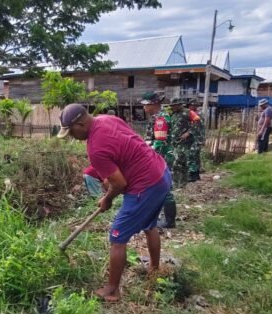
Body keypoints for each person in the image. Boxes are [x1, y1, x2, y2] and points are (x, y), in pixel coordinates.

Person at [57, 103, 171, 302]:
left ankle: (112, 289)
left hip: (145, 185)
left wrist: (107, 198)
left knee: (117, 236)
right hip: (161, 173)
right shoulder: (105, 119)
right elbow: (124, 148)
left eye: (72, 132)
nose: (72, 137)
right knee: (150, 225)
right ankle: (154, 270)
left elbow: (119, 183)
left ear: (81, 124)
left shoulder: (96, 147)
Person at [142, 92, 177, 229]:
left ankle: (169, 221)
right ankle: (165, 217)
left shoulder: (160, 119)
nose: (144, 108)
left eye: (146, 105)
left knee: (165, 187)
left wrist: (147, 154)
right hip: (162, 157)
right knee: (162, 187)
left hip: (162, 157)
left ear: (154, 104)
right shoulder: (159, 117)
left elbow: (160, 143)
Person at [168, 98, 193, 186]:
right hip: (175, 142)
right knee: (177, 162)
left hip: (185, 143)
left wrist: (188, 132)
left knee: (180, 162)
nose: (172, 107)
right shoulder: (172, 114)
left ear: (179, 105)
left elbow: (198, 123)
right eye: (171, 106)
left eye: (174, 105)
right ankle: (177, 183)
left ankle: (182, 182)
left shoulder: (188, 112)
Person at [187, 103, 204, 182]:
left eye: (193, 105)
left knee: (192, 156)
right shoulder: (197, 114)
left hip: (195, 139)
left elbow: (196, 128)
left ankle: (193, 174)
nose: (191, 107)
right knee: (196, 157)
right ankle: (196, 174)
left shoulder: (196, 115)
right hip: (197, 138)